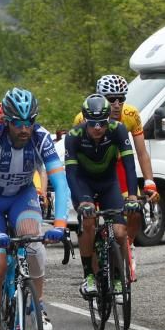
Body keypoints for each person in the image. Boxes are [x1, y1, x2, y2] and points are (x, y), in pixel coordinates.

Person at [0, 88, 69, 330]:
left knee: (35, 246)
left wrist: (61, 224)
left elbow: (60, 183)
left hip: (21, 197)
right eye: (18, 122)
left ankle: (37, 305)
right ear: (7, 122)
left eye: (30, 121)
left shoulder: (41, 137)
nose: (25, 128)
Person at [65, 94, 139, 299]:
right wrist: (82, 201)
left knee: (120, 232)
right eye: (93, 123)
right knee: (88, 222)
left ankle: (117, 276)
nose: (97, 127)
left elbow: (130, 165)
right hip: (84, 184)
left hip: (108, 184)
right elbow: (70, 173)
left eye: (102, 123)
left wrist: (132, 196)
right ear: (85, 120)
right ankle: (89, 274)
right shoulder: (74, 136)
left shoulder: (118, 130)